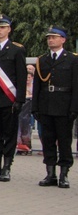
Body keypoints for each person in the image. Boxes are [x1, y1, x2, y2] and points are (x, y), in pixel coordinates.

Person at [32, 26, 78, 188]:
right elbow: (37, 86)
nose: (51, 40)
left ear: (63, 39)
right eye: (49, 38)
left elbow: (75, 86)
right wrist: (35, 107)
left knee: (64, 141)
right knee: (48, 141)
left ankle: (64, 174)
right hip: (46, 105)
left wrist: (74, 108)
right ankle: (50, 174)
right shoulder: (42, 60)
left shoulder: (72, 59)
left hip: (64, 106)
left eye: (54, 37)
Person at [0, 15, 27, 182]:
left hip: (9, 98)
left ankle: (7, 167)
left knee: (9, 133)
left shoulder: (17, 49)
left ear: (9, 29)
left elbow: (21, 77)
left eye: (2, 27)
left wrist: (19, 100)